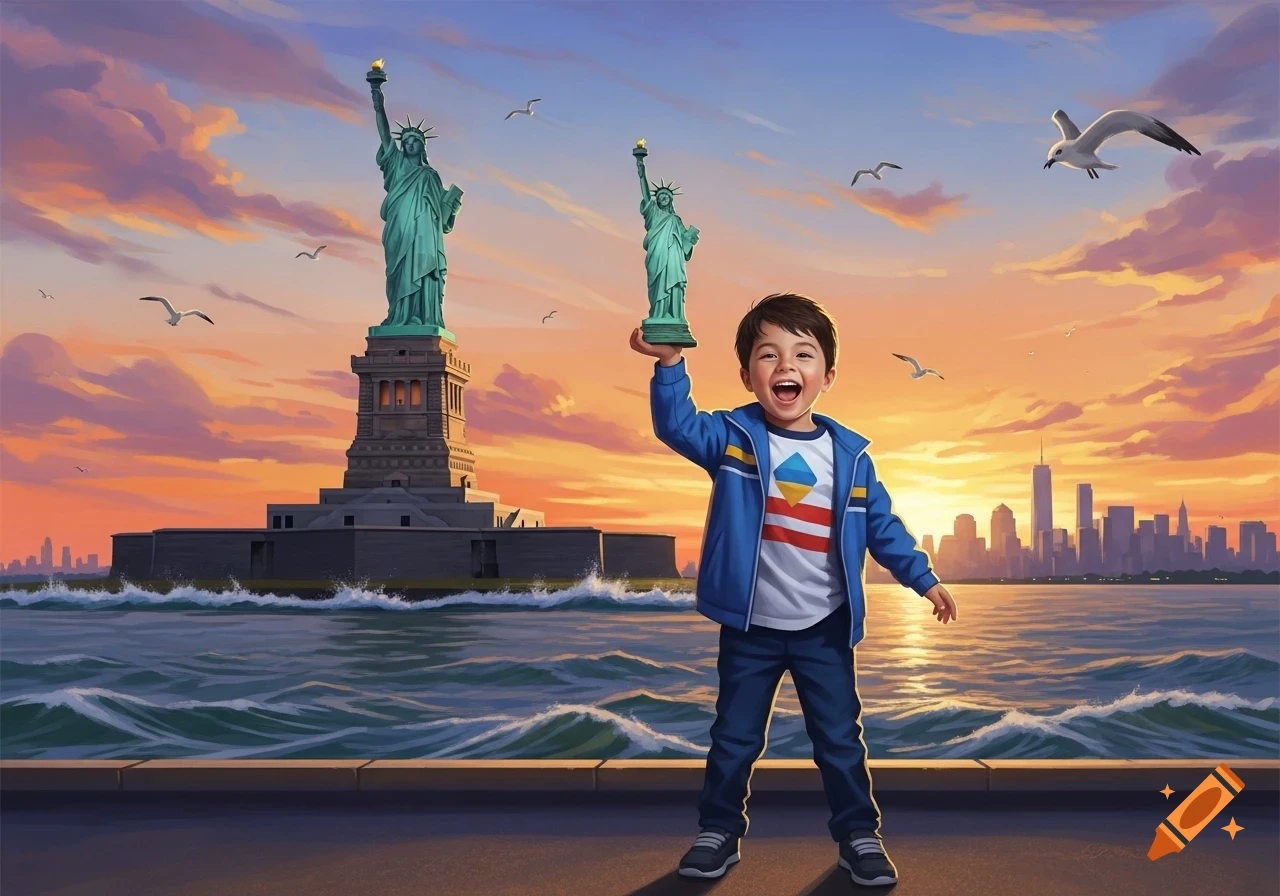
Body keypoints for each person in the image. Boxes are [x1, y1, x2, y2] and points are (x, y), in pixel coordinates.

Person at [629, 293, 958, 887]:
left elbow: (882, 527)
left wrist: (923, 578)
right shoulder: (730, 438)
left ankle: (859, 835)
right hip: (750, 625)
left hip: (824, 628)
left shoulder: (851, 457)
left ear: (827, 376)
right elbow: (674, 424)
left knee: (838, 740)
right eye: (768, 354)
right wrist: (671, 366)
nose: (787, 366)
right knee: (733, 737)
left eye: (804, 355)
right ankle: (719, 832)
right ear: (746, 374)